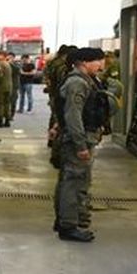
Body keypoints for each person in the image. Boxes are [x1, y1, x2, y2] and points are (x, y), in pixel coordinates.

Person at [53, 46, 108, 242]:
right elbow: (73, 115)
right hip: (79, 139)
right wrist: (81, 145)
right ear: (84, 62)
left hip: (82, 137)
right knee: (74, 182)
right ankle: (68, 225)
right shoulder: (77, 83)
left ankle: (65, 220)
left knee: (72, 180)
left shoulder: (87, 81)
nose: (101, 65)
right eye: (98, 61)